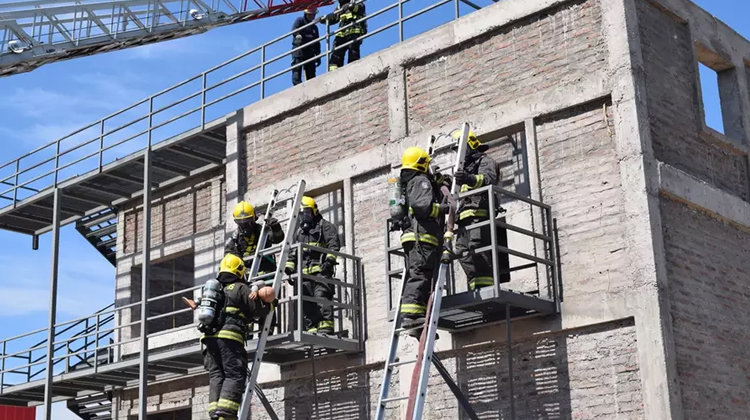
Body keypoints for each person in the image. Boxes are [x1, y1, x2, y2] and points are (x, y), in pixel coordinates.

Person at [184, 254, 277, 420]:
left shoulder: (215, 290)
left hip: (209, 339)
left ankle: (215, 413)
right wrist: (271, 304)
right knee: (234, 373)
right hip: (230, 338)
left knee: (217, 375)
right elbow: (256, 309)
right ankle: (226, 414)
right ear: (239, 271)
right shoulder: (240, 288)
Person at [397, 147, 449, 334]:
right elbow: (422, 206)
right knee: (420, 273)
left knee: (420, 274)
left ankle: (417, 321)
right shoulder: (420, 180)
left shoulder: (408, 182)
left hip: (413, 236)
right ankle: (411, 317)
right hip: (422, 237)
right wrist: (442, 210)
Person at [452, 130, 510, 291]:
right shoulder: (464, 169)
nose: (459, 154)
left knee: (477, 247)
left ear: (470, 146)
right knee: (461, 251)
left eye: (461, 150)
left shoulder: (485, 161)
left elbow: (487, 180)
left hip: (480, 212)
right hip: (464, 218)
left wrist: (468, 178)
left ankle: (486, 286)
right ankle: (475, 284)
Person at [284, 196, 341, 334]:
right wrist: (289, 269)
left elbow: (333, 245)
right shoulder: (299, 233)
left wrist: (329, 262)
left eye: (307, 212)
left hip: (321, 271)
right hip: (304, 274)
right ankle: (311, 328)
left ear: (314, 211)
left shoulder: (325, 227)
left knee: (322, 297)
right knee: (306, 301)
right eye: (302, 213)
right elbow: (293, 253)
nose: (305, 216)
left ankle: (326, 327)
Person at [225, 201, 284, 275]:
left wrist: (275, 227)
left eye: (247, 222)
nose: (245, 226)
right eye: (241, 223)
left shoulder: (261, 231)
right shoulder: (234, 239)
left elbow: (277, 239)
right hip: (247, 277)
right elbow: (229, 258)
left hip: (267, 274)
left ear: (254, 218)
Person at [323, 0, 366, 71]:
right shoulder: (339, 6)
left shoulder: (356, 1)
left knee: (353, 55)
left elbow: (360, 8)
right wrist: (324, 19)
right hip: (341, 34)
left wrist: (351, 6)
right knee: (335, 57)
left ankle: (353, 71)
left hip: (354, 32)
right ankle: (333, 74)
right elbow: (334, 18)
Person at [291, 7, 321, 85]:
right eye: (310, 15)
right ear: (306, 14)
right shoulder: (300, 20)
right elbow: (294, 29)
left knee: (311, 72)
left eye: (313, 15)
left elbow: (317, 42)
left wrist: (318, 55)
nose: (312, 17)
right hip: (299, 49)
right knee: (297, 68)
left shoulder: (314, 27)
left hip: (310, 51)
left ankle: (312, 86)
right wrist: (297, 35)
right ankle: (297, 85)